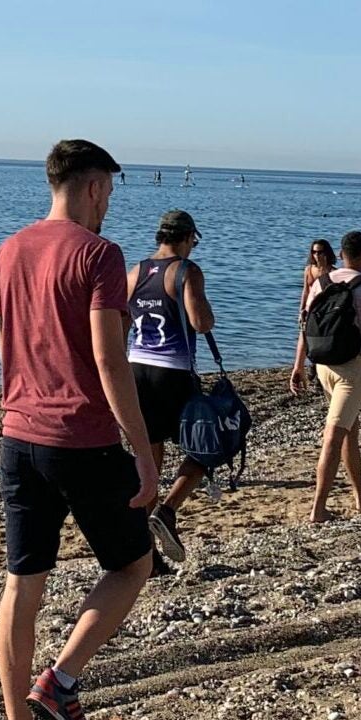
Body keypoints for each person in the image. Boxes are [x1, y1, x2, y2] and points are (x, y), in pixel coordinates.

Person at [0, 139, 153, 720]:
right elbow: (110, 360)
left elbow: (10, 340)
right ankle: (62, 680)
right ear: (92, 187)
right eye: (108, 191)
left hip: (18, 435)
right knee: (131, 564)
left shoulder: (9, 250)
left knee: (22, 585)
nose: (109, 203)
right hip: (80, 438)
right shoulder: (100, 254)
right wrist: (141, 450)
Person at [124, 209, 214, 567]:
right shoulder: (186, 271)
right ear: (187, 237)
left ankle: (147, 553)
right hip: (172, 372)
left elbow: (121, 322)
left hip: (135, 369)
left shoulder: (135, 272)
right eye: (194, 240)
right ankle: (168, 510)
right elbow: (201, 322)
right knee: (207, 446)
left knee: (148, 460)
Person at [290, 229, 361, 520]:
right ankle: (318, 509)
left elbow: (305, 327)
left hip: (323, 366)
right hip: (351, 372)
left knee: (350, 431)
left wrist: (297, 366)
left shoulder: (321, 283)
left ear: (341, 255)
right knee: (334, 436)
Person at [301, 240, 336, 311]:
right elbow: (305, 291)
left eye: (320, 252)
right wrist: (301, 310)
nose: (316, 255)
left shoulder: (333, 272)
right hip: (310, 308)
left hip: (324, 309)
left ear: (326, 253)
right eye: (314, 252)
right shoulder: (308, 269)